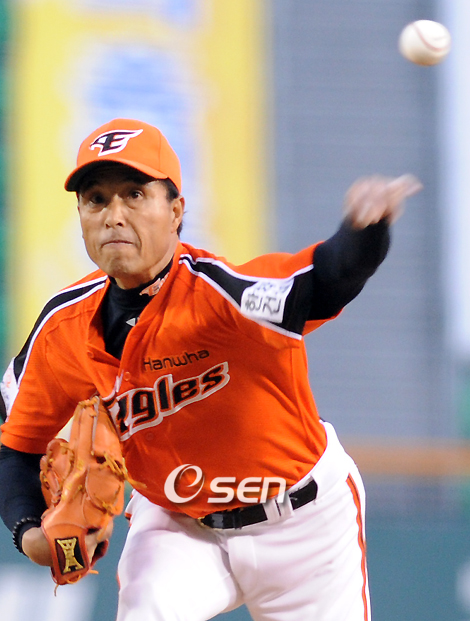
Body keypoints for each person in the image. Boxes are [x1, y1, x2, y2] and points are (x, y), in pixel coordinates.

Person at [0, 118, 422, 620]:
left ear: (176, 212)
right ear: (81, 216)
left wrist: (365, 233)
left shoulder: (226, 297)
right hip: (179, 526)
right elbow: (15, 446)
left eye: (135, 194)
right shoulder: (63, 327)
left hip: (303, 524)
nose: (114, 215)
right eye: (96, 199)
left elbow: (327, 279)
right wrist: (28, 530)